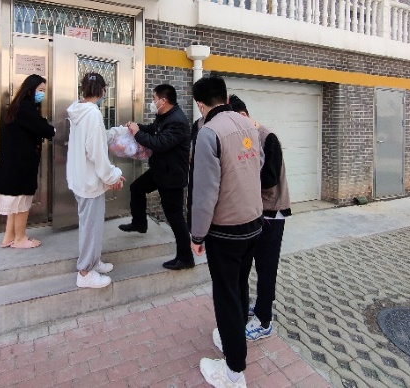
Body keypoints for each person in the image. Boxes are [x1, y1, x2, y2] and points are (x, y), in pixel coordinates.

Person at [189, 76, 263, 388]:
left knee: (226, 295)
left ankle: (233, 372)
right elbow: (258, 165)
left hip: (226, 231)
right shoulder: (248, 124)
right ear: (226, 97)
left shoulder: (208, 133)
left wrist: (197, 235)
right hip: (254, 223)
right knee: (240, 286)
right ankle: (232, 337)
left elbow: (205, 192)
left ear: (200, 104)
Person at [228, 94, 291, 341]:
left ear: (243, 115)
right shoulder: (245, 138)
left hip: (270, 214)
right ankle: (253, 308)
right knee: (247, 265)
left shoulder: (267, 137)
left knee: (266, 268)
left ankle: (264, 321)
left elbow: (269, 179)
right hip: (253, 212)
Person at [121, 84, 194, 270]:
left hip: (172, 176)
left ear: (164, 100)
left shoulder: (177, 121)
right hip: (160, 170)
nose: (152, 102)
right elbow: (152, 129)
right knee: (136, 188)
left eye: (154, 99)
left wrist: (137, 133)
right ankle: (139, 223)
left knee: (175, 217)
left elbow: (159, 143)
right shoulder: (164, 116)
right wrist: (136, 127)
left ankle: (186, 258)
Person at [67, 72, 126, 289]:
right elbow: (96, 153)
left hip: (81, 178)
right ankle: (85, 272)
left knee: (92, 225)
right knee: (91, 228)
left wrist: (118, 131)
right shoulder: (92, 114)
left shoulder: (78, 111)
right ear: (103, 91)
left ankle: (93, 261)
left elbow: (96, 139)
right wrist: (113, 175)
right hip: (90, 181)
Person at [0, 74, 56, 249]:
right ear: (30, 89)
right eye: (40, 90)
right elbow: (43, 128)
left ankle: (8, 237)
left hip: (12, 164)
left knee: (15, 202)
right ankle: (20, 238)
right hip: (21, 164)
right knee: (22, 202)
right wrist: (54, 130)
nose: (42, 94)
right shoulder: (26, 108)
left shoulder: (16, 106)